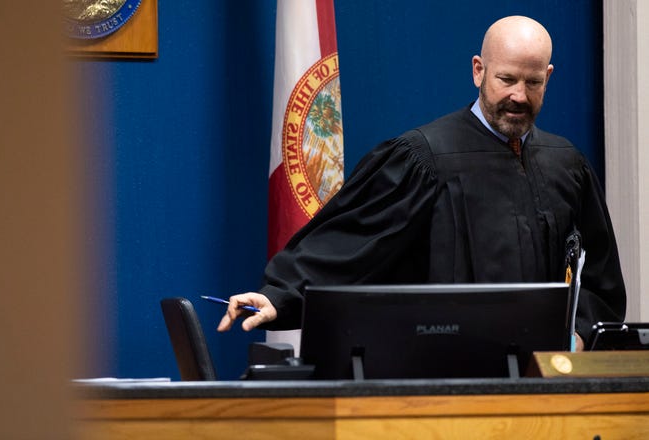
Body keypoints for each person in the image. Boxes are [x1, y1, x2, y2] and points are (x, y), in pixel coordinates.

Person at [217, 15, 626, 350]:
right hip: (447, 378)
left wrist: (581, 333)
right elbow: (349, 243)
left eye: (533, 82)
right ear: (478, 71)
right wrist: (280, 295)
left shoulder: (566, 166)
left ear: (548, 77)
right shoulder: (423, 158)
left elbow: (600, 280)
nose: (519, 95)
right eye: (507, 80)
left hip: (545, 384)